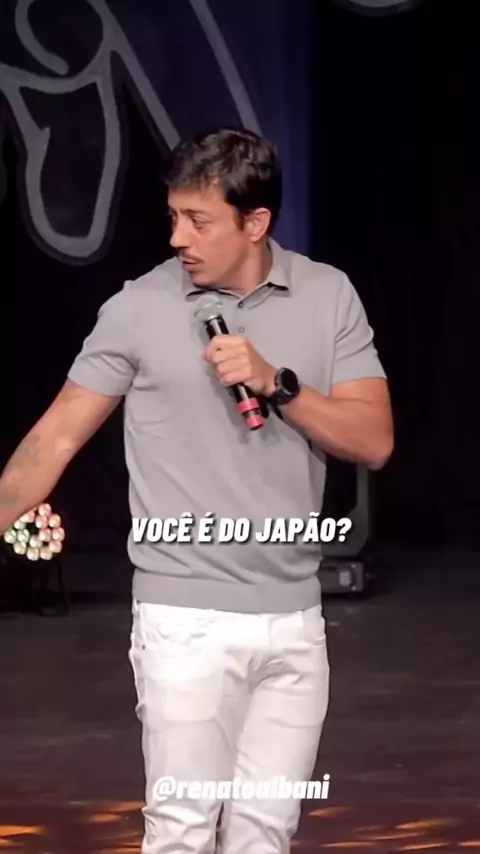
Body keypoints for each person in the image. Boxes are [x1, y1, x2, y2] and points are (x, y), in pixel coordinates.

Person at [0, 127, 393, 853]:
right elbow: (53, 439)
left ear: (256, 222)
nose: (177, 237)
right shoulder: (137, 308)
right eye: (174, 216)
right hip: (184, 619)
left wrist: (277, 384)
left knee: (265, 832)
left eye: (198, 220)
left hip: (293, 618)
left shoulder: (327, 294)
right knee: (181, 830)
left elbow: (372, 440)